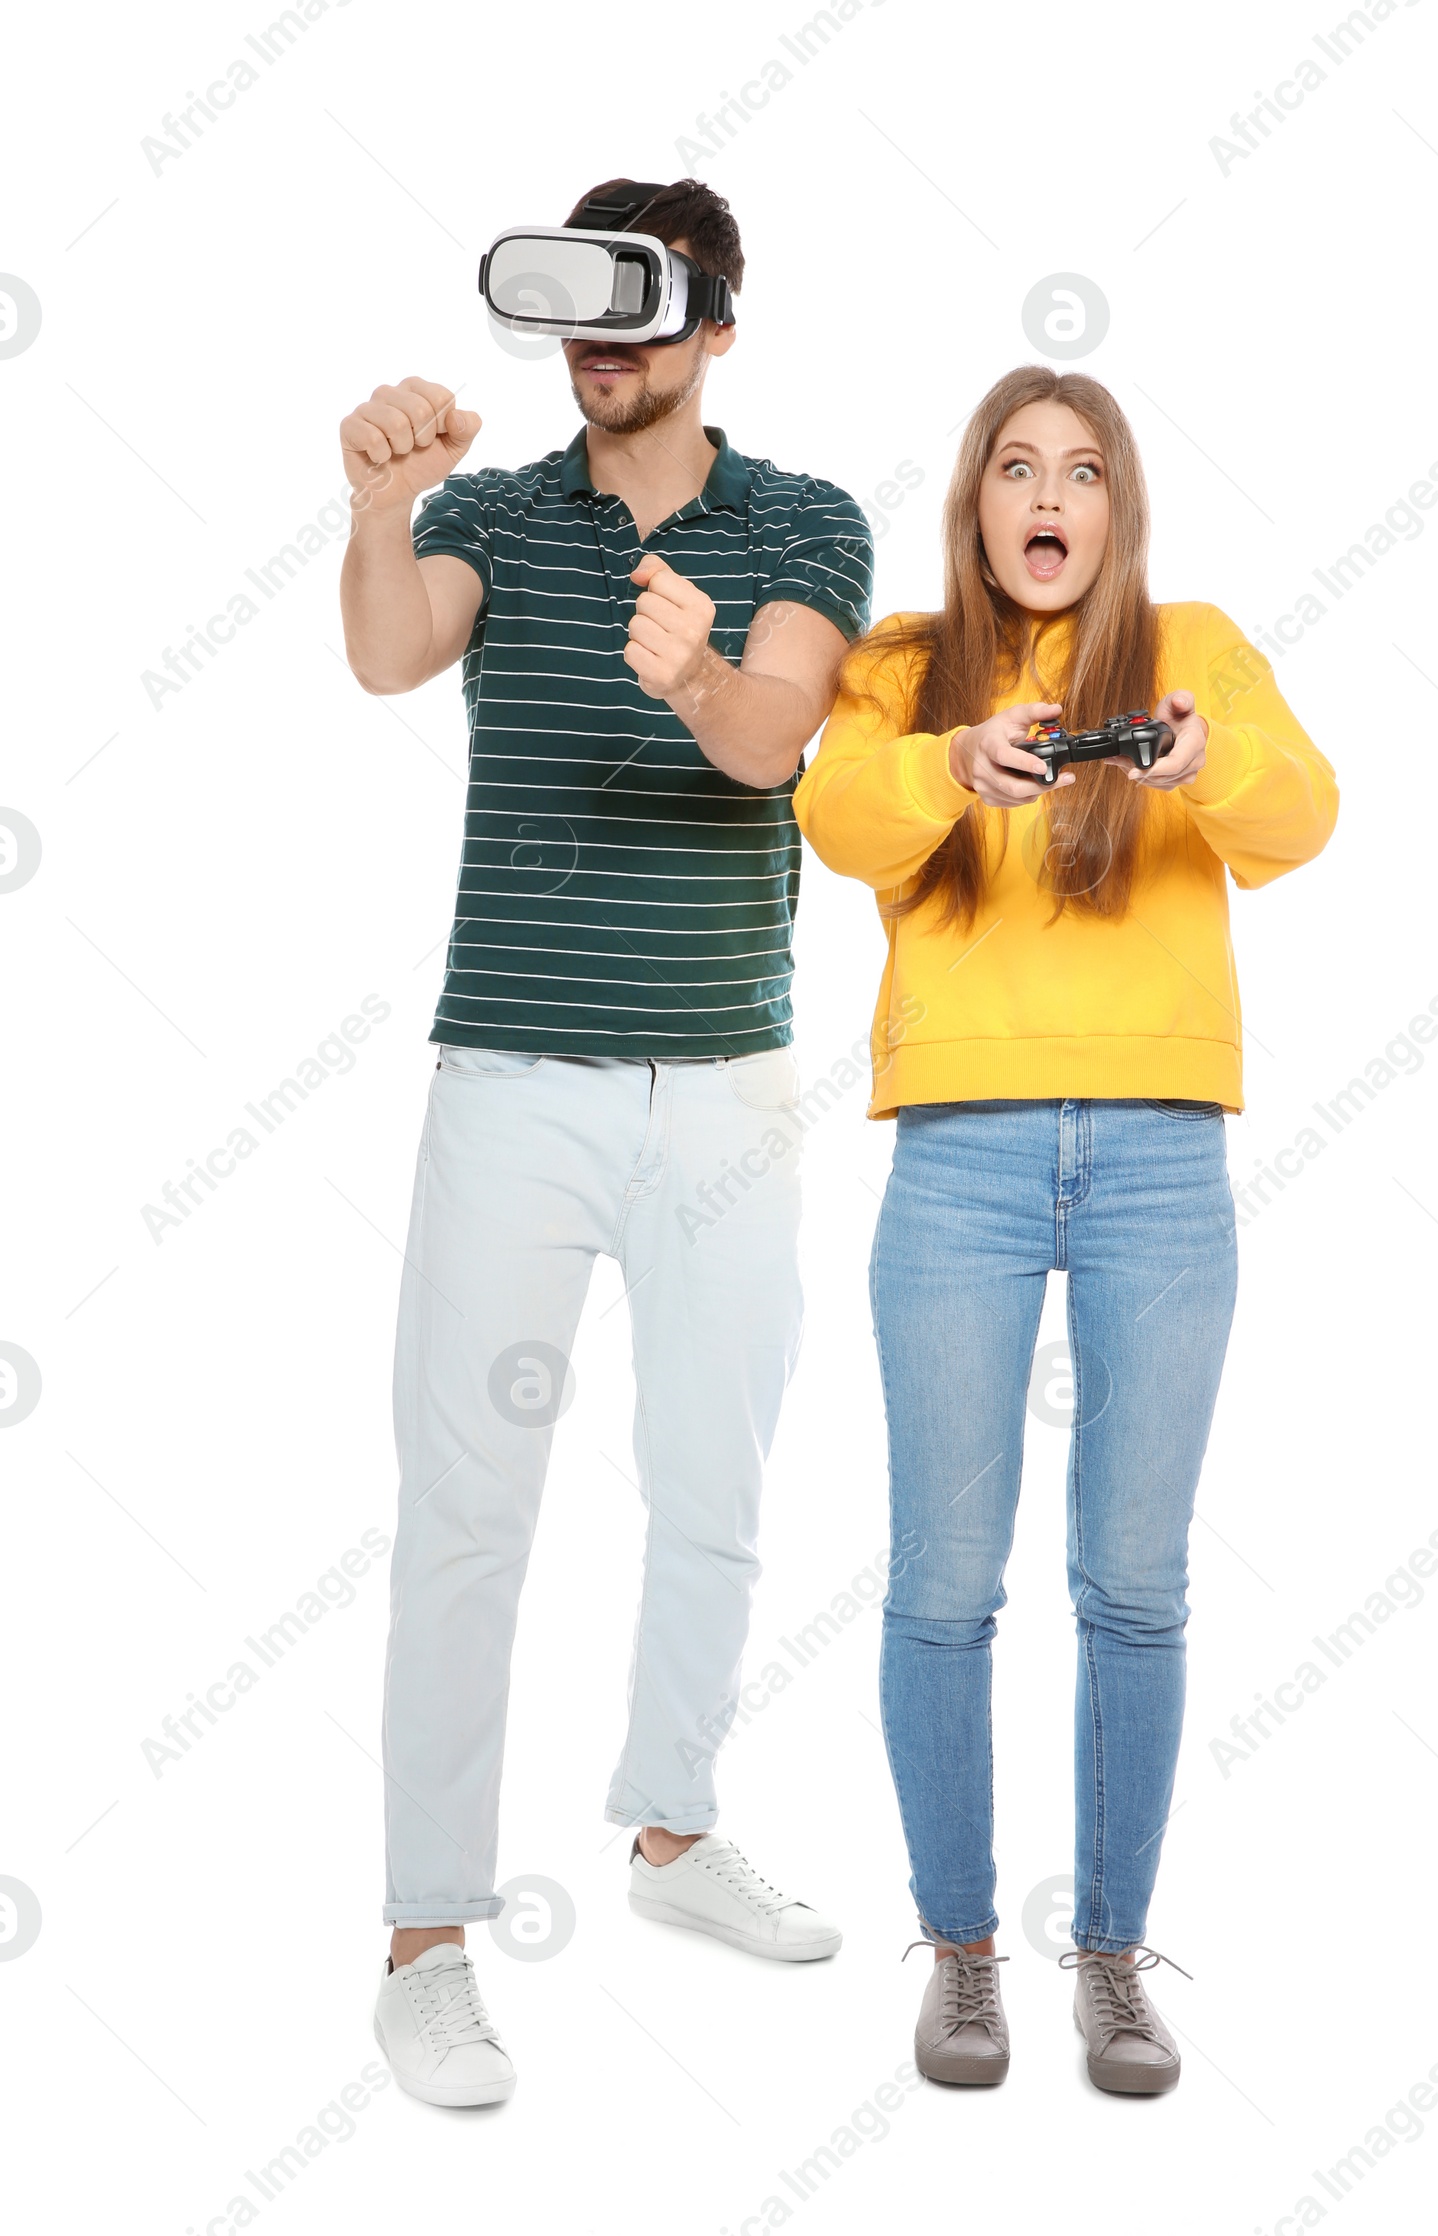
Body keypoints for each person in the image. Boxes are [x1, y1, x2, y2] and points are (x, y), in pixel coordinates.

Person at [339, 178, 873, 2107]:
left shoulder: (805, 519)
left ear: (717, 323)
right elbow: (394, 657)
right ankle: (425, 1935)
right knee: (468, 1509)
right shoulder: (492, 510)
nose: (604, 344)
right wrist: (381, 501)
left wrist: (697, 671)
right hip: (515, 1083)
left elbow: (768, 746)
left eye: (642, 312)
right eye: (574, 309)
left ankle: (669, 1835)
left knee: (712, 1483)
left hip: (725, 1088)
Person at [794, 366, 1337, 2093]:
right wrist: (954, 763)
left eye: (1082, 471)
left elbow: (1303, 819)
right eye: (1018, 469)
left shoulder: (1193, 645)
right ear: (978, 503)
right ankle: (961, 1956)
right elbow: (830, 820)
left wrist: (1205, 753)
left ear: (1118, 508)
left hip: (1164, 1154)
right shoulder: (899, 665)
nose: (1050, 495)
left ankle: (1110, 1957)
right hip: (956, 1152)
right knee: (946, 1584)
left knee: (1138, 1585)